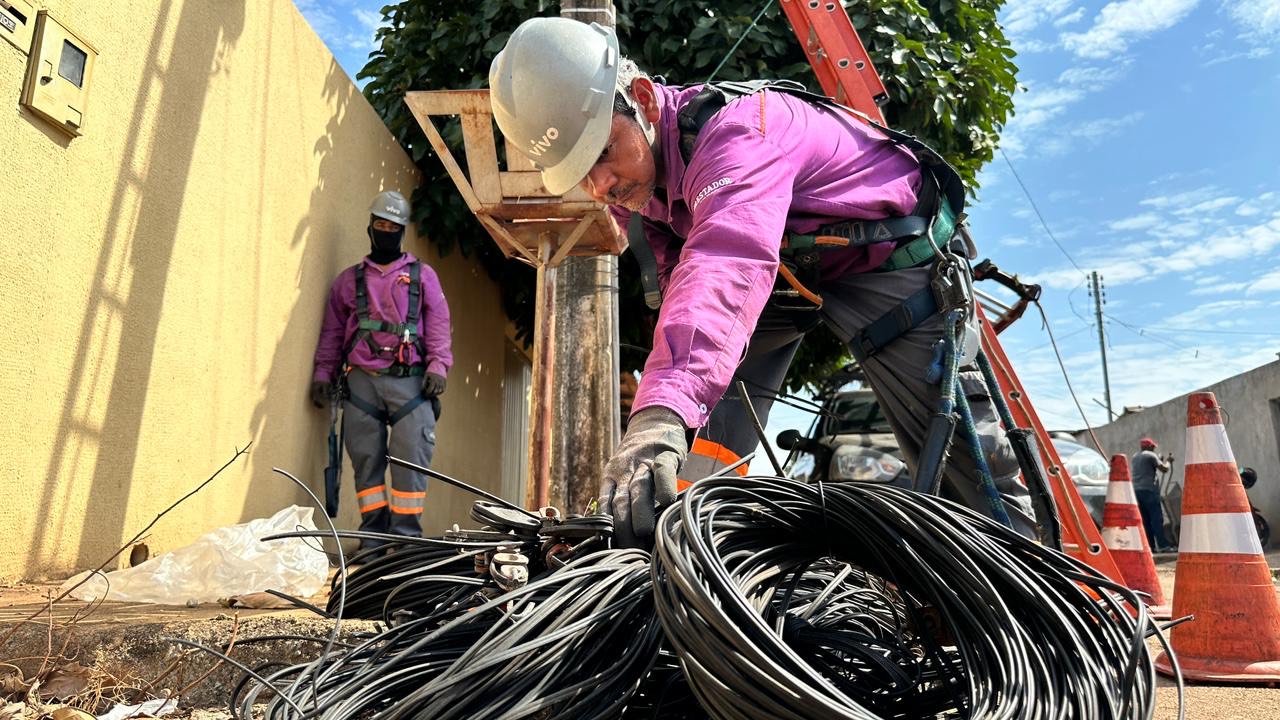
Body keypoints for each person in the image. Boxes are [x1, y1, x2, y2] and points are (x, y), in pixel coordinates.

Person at [489, 18, 1037, 547]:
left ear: (644, 99)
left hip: (888, 255)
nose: (600, 184)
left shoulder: (740, 136)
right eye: (579, 173)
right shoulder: (646, 193)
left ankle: (1022, 594)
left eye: (602, 153)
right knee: (705, 421)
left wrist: (655, 417)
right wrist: (669, 418)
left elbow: (726, 263)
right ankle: (688, 555)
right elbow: (687, 311)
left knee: (958, 457)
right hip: (792, 267)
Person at [310, 190, 453, 554]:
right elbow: (330, 332)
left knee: (411, 464)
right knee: (366, 465)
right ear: (370, 227)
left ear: (402, 231)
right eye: (380, 224)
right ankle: (372, 541)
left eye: (394, 226)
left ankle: (405, 543)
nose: (386, 231)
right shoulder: (348, 281)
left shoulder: (423, 277)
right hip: (361, 385)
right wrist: (323, 374)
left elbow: (439, 324)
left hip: (411, 384)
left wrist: (439, 365)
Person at [1130, 438, 1173, 552]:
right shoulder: (1150, 455)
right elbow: (1164, 469)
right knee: (1156, 519)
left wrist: (1159, 460)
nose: (1154, 448)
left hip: (1137, 491)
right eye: (1153, 447)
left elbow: (1147, 467)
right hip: (1149, 491)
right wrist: (1168, 461)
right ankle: (1163, 546)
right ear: (1148, 447)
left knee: (1146, 520)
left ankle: (1150, 547)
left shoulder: (1135, 456)